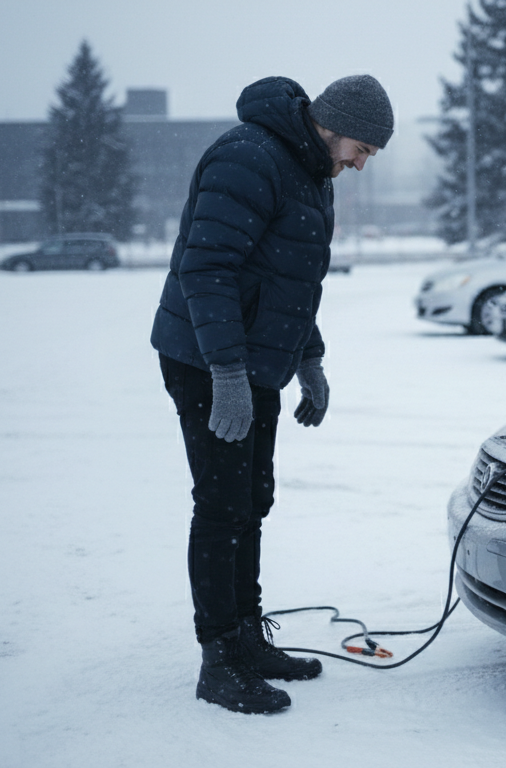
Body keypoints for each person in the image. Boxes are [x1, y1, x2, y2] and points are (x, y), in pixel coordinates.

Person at [151, 74, 392, 714]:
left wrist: (309, 358)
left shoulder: (308, 170)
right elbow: (207, 269)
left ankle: (249, 640)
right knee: (222, 504)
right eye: (362, 148)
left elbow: (287, 279)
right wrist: (227, 374)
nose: (362, 163)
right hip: (207, 359)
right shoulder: (249, 156)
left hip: (254, 362)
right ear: (332, 123)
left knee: (253, 499)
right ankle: (219, 659)